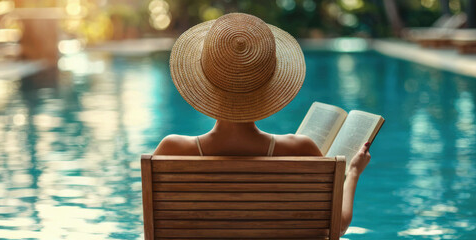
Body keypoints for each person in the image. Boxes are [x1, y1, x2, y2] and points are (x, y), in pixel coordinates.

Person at [153, 13, 371, 235]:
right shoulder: (301, 149)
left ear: (204, 84)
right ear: (269, 90)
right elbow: (338, 227)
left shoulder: (171, 150)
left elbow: (155, 229)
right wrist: (353, 171)